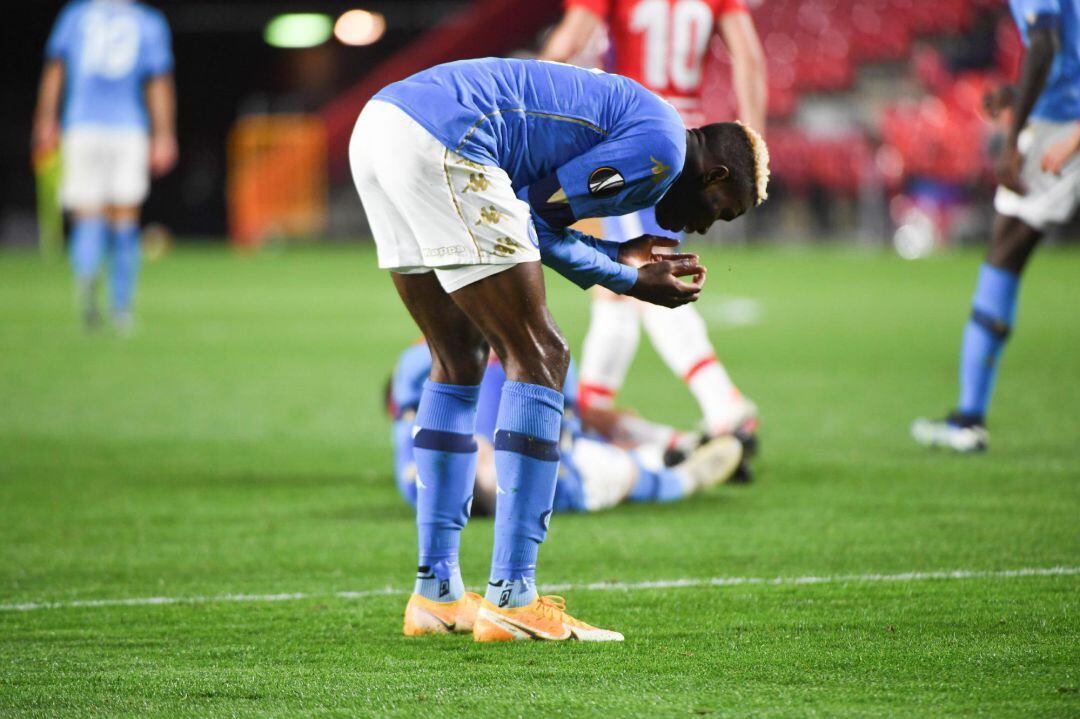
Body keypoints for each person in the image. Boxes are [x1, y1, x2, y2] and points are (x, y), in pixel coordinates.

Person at [349, 57, 769, 641]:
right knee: (542, 354)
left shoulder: (646, 119)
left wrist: (618, 259)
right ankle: (514, 597)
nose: (706, 229)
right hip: (447, 139)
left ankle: (437, 592)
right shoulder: (664, 152)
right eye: (721, 211)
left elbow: (528, 210)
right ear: (715, 173)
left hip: (382, 126)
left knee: (458, 356)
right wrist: (627, 279)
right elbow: (532, 216)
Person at [541, 0, 767, 452]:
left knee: (644, 276)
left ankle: (721, 406)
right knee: (624, 285)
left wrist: (536, 101)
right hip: (692, 144)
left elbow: (569, 40)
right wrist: (751, 143)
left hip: (634, 134)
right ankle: (595, 408)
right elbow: (750, 56)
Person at [912, 0, 1080, 452]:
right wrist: (1018, 93)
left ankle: (969, 417)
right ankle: (968, 416)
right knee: (1007, 250)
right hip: (1064, 118)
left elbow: (1045, 46)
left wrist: (1014, 137)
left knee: (1004, 253)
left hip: (1061, 127)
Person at [387, 343, 745, 516]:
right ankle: (683, 472)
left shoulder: (421, 363)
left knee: (599, 437)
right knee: (618, 468)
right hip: (558, 464)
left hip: (537, 452)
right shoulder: (559, 485)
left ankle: (670, 449)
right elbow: (567, 432)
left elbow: (410, 451)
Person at [32, 0, 177, 333]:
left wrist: (45, 120)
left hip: (81, 125)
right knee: (124, 215)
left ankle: (86, 280)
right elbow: (158, 82)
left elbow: (56, 70)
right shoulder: (148, 21)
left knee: (87, 214)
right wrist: (165, 134)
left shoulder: (75, 15)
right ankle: (121, 307)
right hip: (127, 127)